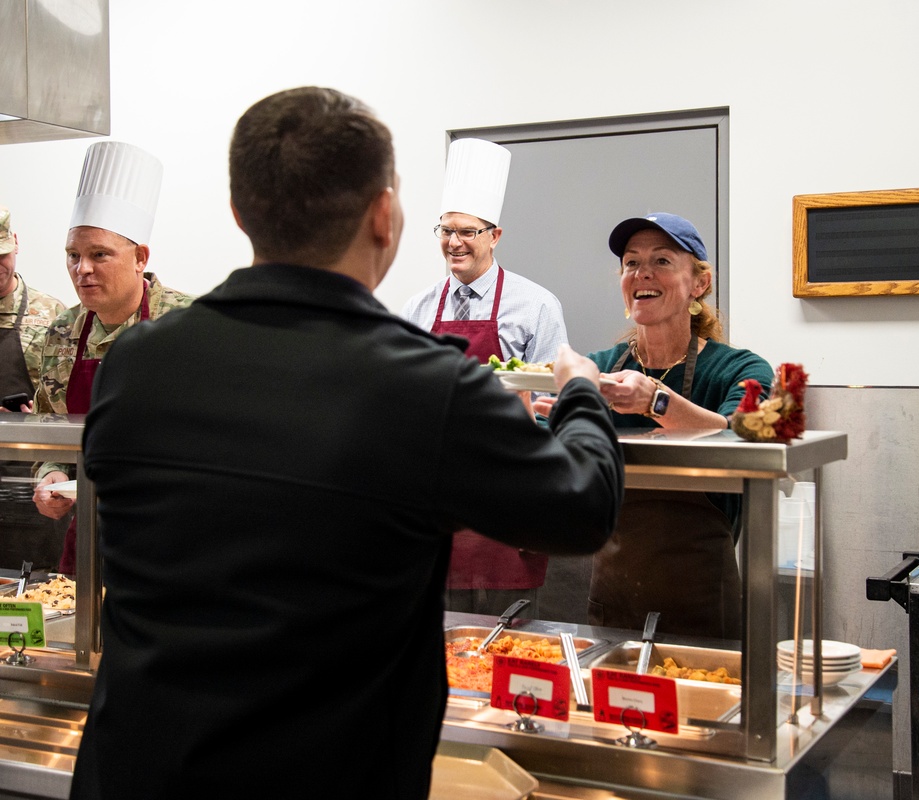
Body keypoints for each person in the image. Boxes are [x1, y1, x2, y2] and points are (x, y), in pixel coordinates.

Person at [68, 86, 624, 800]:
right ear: (385, 218)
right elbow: (584, 505)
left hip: (135, 772)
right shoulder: (427, 386)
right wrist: (579, 387)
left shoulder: (135, 365)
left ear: (240, 214)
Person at [540, 212, 773, 639]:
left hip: (704, 599)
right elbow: (559, 462)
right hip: (613, 594)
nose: (642, 273)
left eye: (662, 261)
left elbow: (744, 435)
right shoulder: (601, 368)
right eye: (631, 263)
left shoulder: (740, 367)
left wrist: (656, 401)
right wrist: (534, 417)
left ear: (699, 283)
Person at [401, 138, 570, 617]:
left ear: (495, 235)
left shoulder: (536, 305)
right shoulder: (417, 307)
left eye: (468, 232)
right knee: (439, 644)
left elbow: (554, 404)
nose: (454, 242)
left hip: (508, 498)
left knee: (513, 642)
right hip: (436, 502)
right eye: (446, 230)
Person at [31, 141, 195, 576]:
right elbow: (51, 431)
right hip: (89, 537)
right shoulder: (61, 331)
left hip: (175, 537)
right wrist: (50, 475)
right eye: (73, 255)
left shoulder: (189, 325)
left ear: (140, 257)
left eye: (99, 254)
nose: (81, 269)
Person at [0, 206, 67, 409]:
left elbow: (69, 399)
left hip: (28, 439)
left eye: (1, 254)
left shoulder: (55, 315)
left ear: (16, 244)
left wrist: (37, 421)